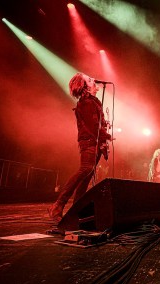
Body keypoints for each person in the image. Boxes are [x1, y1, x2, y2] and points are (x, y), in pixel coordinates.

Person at [48, 72, 111, 222]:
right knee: (86, 169)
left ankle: (76, 210)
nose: (93, 79)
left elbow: (97, 124)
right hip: (89, 141)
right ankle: (58, 205)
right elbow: (93, 125)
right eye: (89, 79)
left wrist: (104, 133)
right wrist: (105, 135)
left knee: (87, 176)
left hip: (95, 142)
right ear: (84, 87)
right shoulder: (87, 102)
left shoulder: (93, 101)